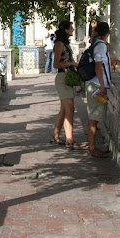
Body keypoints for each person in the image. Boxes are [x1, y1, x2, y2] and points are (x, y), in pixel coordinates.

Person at [50, 20, 85, 149]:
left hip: (66, 78)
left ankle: (56, 135)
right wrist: (71, 63)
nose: (73, 30)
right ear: (65, 30)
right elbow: (56, 64)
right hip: (63, 77)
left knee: (64, 110)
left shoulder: (64, 43)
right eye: (70, 28)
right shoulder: (59, 44)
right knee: (69, 109)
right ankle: (70, 141)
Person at [85, 21, 114, 158]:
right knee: (93, 118)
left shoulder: (97, 44)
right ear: (108, 33)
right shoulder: (101, 46)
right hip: (97, 86)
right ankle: (92, 147)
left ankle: (92, 146)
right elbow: (98, 66)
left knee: (95, 118)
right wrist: (102, 86)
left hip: (95, 84)